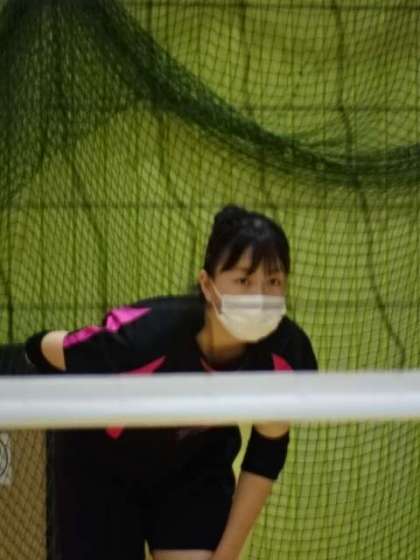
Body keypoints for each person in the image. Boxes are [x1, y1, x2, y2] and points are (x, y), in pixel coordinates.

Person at [25, 204, 318, 560]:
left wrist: (226, 555)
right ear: (208, 285)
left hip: (192, 470)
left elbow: (266, 454)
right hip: (104, 468)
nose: (259, 299)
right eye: (243, 281)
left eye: (273, 282)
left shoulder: (286, 357)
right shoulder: (140, 340)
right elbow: (44, 348)